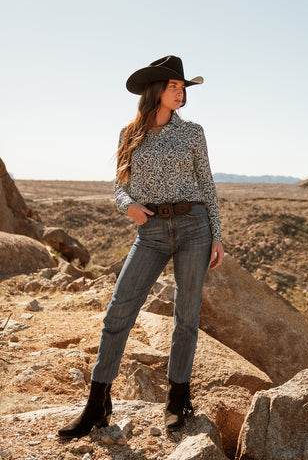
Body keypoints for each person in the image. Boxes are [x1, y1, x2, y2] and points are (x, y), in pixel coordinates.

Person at [58, 55, 224, 438]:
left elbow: (208, 184)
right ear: (156, 90)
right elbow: (119, 183)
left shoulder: (193, 132)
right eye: (173, 86)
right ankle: (97, 404)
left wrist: (217, 235)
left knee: (186, 317)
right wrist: (127, 205)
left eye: (183, 88)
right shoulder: (129, 133)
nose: (180, 93)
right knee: (118, 313)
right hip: (149, 233)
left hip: (194, 227)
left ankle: (177, 400)